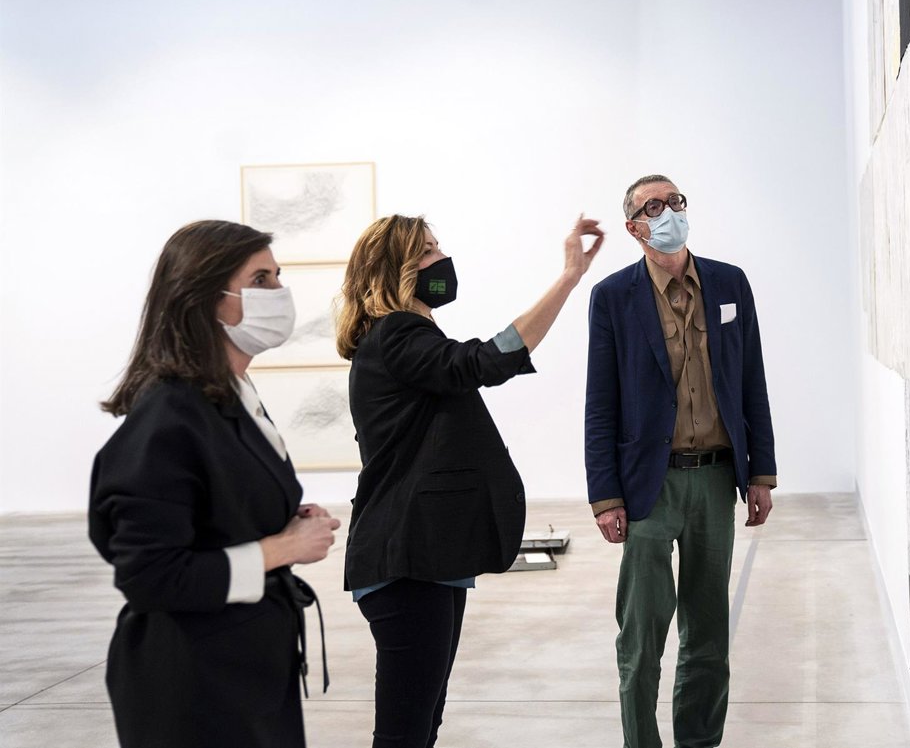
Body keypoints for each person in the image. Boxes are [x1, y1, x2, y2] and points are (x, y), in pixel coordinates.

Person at [335, 213, 604, 748]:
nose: (442, 260)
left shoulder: (400, 341)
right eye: (426, 251)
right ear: (394, 269)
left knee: (421, 726)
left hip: (425, 560)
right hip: (407, 561)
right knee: (405, 734)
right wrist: (569, 278)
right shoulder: (397, 334)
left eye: (439, 247)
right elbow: (484, 362)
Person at [89, 220, 341, 748]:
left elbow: (219, 507)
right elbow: (150, 576)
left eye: (277, 276)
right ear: (205, 299)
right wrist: (282, 547)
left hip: (245, 669)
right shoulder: (168, 415)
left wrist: (282, 521)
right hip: (192, 685)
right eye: (261, 280)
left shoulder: (231, 396)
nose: (280, 292)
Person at [584, 174, 777, 748]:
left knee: (709, 635)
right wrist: (605, 496)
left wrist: (761, 473)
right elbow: (600, 403)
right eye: (654, 206)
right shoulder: (613, 297)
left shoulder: (729, 282)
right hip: (649, 487)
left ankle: (699, 741)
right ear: (634, 228)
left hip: (716, 479)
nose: (668, 211)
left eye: (675, 201)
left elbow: (752, 380)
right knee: (641, 638)